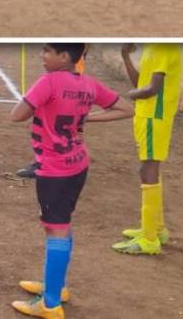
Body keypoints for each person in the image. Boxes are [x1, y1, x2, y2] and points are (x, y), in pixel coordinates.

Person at [9, 44, 132, 319]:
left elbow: (16, 115)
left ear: (65, 57)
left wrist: (37, 98)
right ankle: (57, 286)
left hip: (54, 170)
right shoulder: (89, 84)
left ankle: (50, 304)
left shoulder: (48, 82)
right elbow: (126, 109)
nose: (42, 56)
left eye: (48, 51)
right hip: (78, 164)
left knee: (56, 229)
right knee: (62, 225)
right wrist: (89, 118)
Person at [112, 43, 182, 256]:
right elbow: (141, 81)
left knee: (147, 170)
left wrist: (132, 95)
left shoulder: (164, 48)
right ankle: (155, 229)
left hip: (154, 116)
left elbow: (153, 88)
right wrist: (125, 56)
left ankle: (149, 239)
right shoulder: (153, 47)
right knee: (149, 169)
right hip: (147, 115)